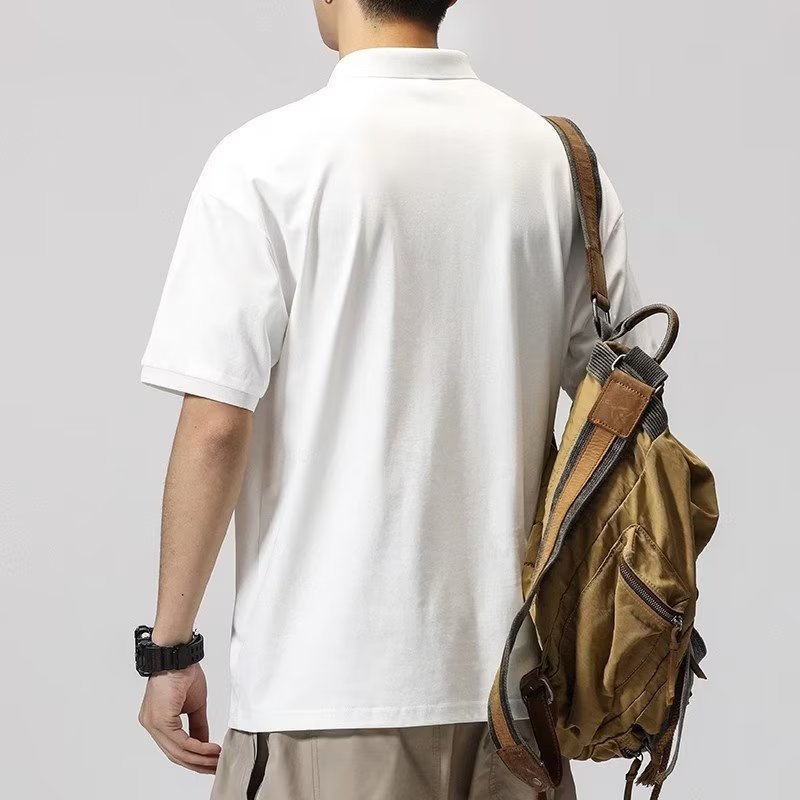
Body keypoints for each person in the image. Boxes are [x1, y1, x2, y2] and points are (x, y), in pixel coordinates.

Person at [136, 1, 653, 798]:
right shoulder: (559, 166)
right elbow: (620, 413)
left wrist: (170, 651)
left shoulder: (265, 162)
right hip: (519, 697)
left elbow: (215, 429)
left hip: (327, 692)